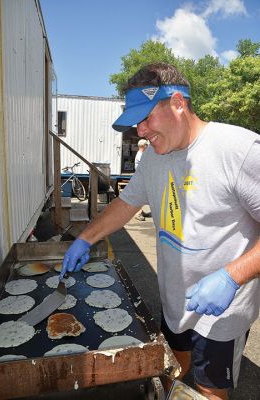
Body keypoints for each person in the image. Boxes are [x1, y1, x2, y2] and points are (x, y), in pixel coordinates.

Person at [59, 62, 260, 400]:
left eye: (146, 118)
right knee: (171, 373)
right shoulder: (154, 156)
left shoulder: (239, 150)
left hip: (223, 310)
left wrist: (231, 275)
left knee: (208, 391)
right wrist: (85, 237)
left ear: (178, 103)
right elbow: (125, 205)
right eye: (137, 122)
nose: (140, 131)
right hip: (174, 300)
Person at [134, 139, 148, 221]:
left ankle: (140, 211)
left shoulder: (141, 154)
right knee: (141, 197)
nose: (147, 147)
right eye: (147, 145)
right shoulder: (140, 155)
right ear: (143, 146)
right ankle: (138, 213)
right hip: (141, 178)